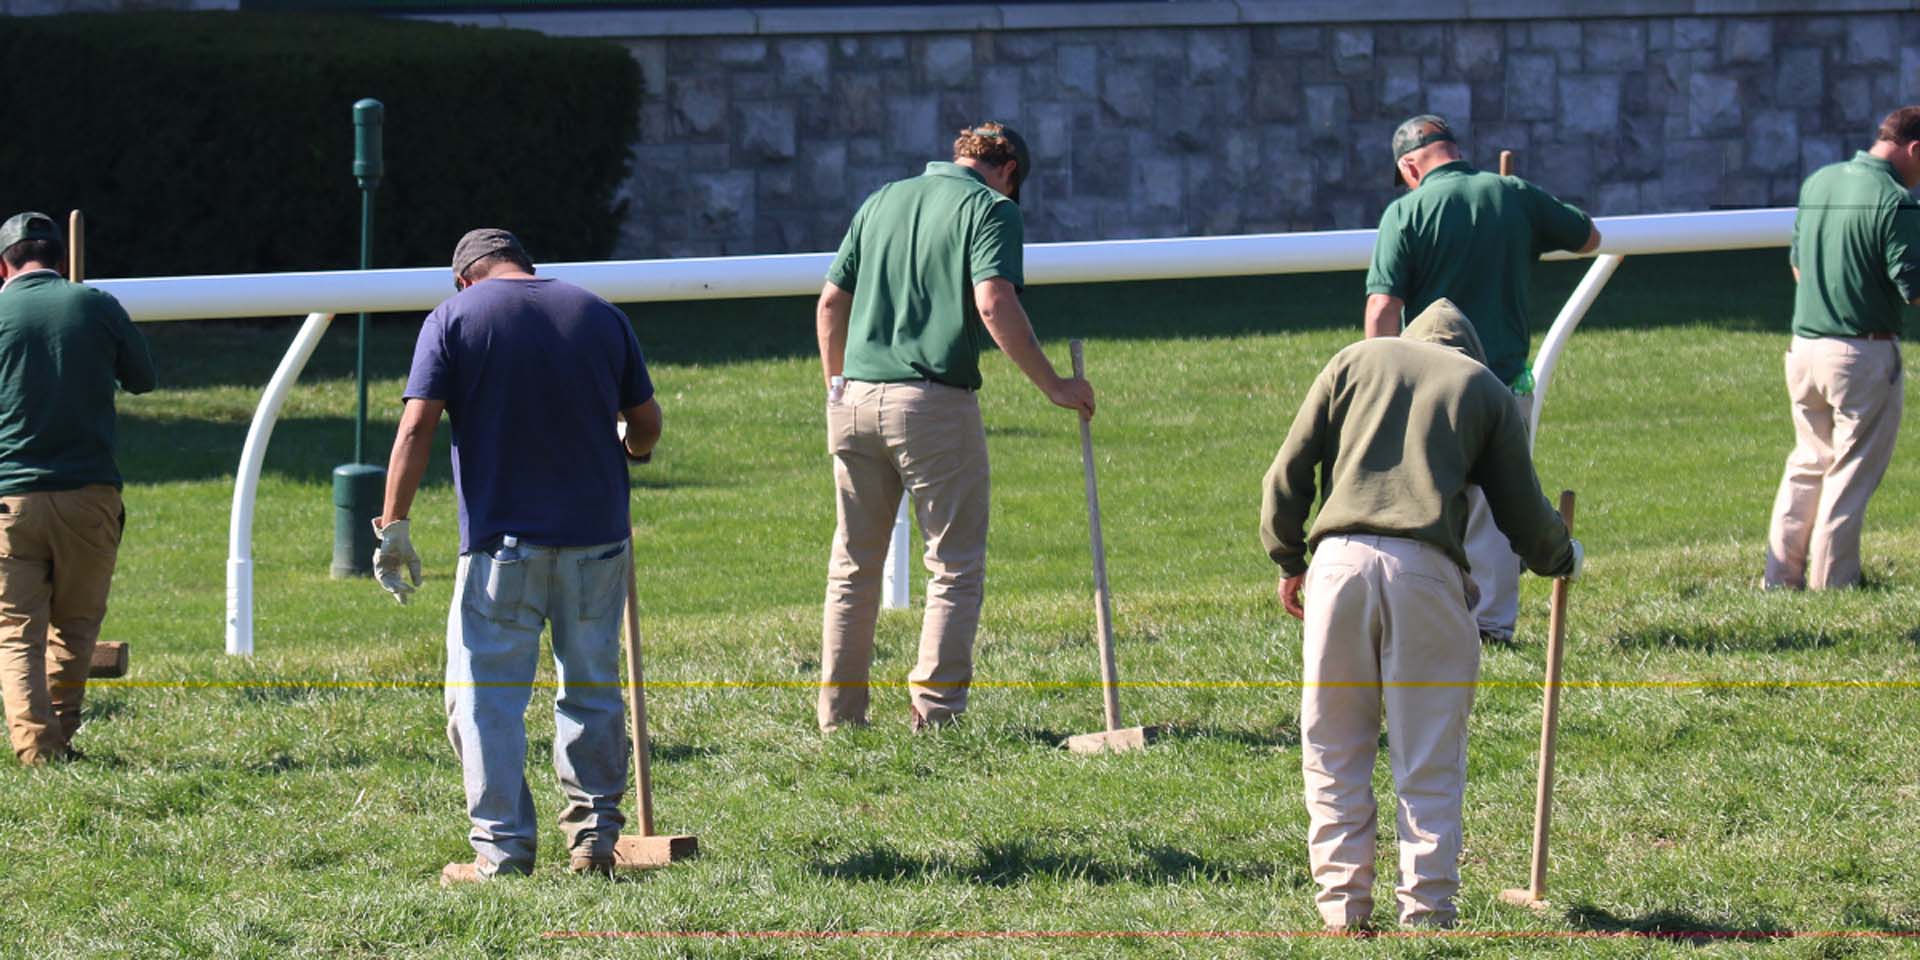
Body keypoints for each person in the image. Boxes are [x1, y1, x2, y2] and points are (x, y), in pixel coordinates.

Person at [1261, 299, 1581, 931]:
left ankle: (1342, 911)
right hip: (1427, 575)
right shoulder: (1481, 388)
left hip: (1336, 566)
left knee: (1333, 748)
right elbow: (1521, 507)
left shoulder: (1351, 361)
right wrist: (1561, 555)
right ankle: (1427, 911)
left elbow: (1288, 473)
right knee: (1428, 755)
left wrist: (1289, 559)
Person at [373, 228, 663, 884]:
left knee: (485, 698)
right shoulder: (597, 312)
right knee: (591, 685)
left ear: (464, 278)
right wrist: (631, 453)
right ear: (527, 267)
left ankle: (500, 853)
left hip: (501, 548)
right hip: (598, 541)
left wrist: (392, 526)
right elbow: (645, 424)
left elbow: (416, 426)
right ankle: (594, 841)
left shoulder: (453, 319)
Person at [814, 122, 1094, 732]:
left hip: (853, 398)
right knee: (954, 563)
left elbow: (831, 301)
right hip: (931, 404)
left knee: (853, 567)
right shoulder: (992, 208)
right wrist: (1056, 387)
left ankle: (839, 719)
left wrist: (836, 385)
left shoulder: (882, 198)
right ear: (1011, 171)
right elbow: (994, 301)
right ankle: (934, 714)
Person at [1363, 114, 1600, 643]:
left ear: (1408, 165)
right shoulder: (1514, 194)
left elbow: (1382, 306)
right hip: (1505, 381)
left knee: (1430, 498)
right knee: (1497, 503)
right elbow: (1589, 237)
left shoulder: (1406, 211)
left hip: (1431, 385)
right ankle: (1492, 625)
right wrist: (1521, 223)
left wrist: (1379, 377)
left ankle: (1432, 617)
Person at [0, 212, 155, 765]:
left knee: (18, 631)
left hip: (10, 498)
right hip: (89, 496)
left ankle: (37, 749)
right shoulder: (95, 304)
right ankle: (59, 738)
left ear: (4, 264)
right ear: (60, 260)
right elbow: (144, 378)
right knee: (76, 626)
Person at [1762, 106, 1920, 590]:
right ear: (1915, 149)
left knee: (1807, 464)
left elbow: (1797, 266)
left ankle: (1779, 578)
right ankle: (1834, 585)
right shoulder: (1896, 201)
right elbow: (1912, 286)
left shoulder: (1820, 182)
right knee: (1849, 473)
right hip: (1862, 354)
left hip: (1803, 348)